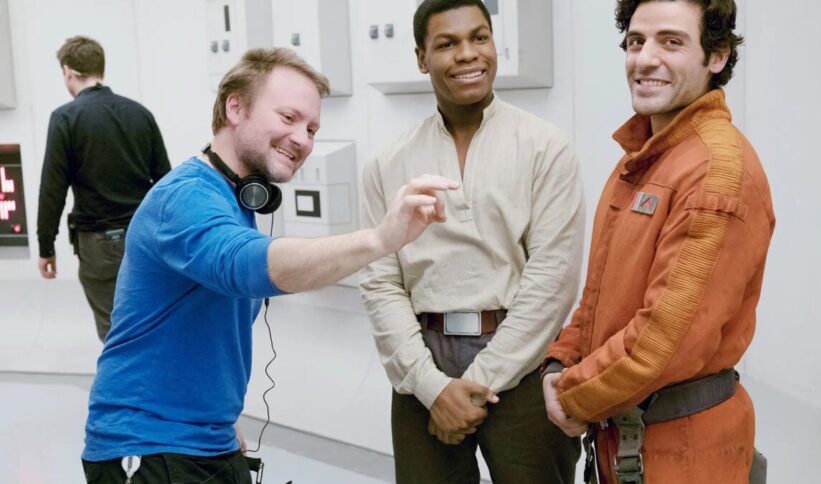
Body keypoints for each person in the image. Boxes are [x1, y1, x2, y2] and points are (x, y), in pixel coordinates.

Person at [80, 47, 459, 483]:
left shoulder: (231, 199)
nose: (303, 139)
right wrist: (379, 239)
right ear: (235, 108)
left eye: (312, 128)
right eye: (288, 117)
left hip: (206, 437)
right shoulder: (185, 197)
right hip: (149, 445)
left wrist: (218, 419)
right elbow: (246, 264)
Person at [542, 1, 774, 483]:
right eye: (635, 41)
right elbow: (600, 295)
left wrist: (571, 394)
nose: (645, 59)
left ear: (717, 56)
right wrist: (560, 360)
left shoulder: (714, 173)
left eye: (671, 42)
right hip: (624, 438)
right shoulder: (646, 156)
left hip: (681, 453)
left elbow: (662, 344)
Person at [359, 1, 586, 482]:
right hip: (423, 364)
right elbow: (380, 283)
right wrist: (432, 388)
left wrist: (478, 384)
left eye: (479, 38)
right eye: (447, 43)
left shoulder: (545, 147)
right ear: (421, 58)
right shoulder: (387, 164)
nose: (468, 54)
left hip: (523, 362)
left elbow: (553, 281)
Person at [36, 35, 171, 342]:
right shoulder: (139, 113)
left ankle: (127, 374)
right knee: (151, 321)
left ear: (67, 71)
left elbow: (52, 190)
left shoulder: (65, 118)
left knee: (115, 332)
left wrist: (46, 247)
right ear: (101, 69)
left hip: (98, 245)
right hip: (144, 236)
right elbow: (165, 181)